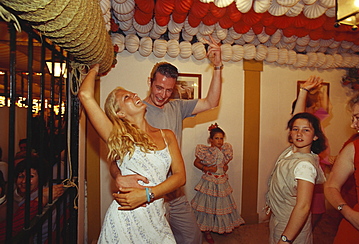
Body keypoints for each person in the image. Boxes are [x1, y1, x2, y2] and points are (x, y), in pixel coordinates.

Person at [111, 35, 223, 244]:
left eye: (169, 90)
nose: (163, 94)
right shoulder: (133, 112)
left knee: (192, 238)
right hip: (144, 197)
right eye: (159, 87)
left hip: (175, 193)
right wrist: (117, 177)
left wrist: (217, 67)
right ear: (150, 82)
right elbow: (115, 161)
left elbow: (211, 102)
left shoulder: (177, 107)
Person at [78, 64, 186, 243]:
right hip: (124, 220)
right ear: (120, 113)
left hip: (156, 219)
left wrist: (148, 194)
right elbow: (85, 95)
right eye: (126, 97)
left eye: (132, 93)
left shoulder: (167, 135)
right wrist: (96, 65)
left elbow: (180, 177)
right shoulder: (119, 136)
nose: (135, 95)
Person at [265, 112, 327, 244]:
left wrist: (285, 239)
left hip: (290, 224)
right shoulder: (291, 151)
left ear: (315, 136)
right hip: (278, 217)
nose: (299, 133)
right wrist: (303, 90)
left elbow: (303, 206)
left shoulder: (304, 166)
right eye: (295, 129)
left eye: (306, 130)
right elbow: (297, 117)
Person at [324, 90, 359, 243]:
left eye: (358, 118)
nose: (352, 125)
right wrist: (350, 214)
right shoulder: (354, 148)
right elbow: (331, 187)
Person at [190, 123, 244, 243]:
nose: (219, 141)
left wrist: (225, 167)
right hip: (210, 181)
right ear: (211, 140)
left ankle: (221, 227)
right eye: (216, 138)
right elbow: (196, 162)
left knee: (221, 205)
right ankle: (206, 230)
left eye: (221, 138)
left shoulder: (225, 150)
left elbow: (224, 164)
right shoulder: (207, 151)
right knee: (208, 205)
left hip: (222, 181)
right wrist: (207, 168)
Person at [292, 76, 332, 229]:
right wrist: (304, 91)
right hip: (311, 168)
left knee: (316, 209)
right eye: (313, 106)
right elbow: (298, 114)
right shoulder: (302, 125)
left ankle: (307, 230)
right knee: (306, 207)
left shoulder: (316, 121)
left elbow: (326, 107)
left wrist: (320, 92)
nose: (316, 108)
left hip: (318, 167)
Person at [0, 157, 64, 242]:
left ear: (41, 178)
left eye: (31, 176)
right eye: (21, 176)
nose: (24, 181)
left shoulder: (37, 198)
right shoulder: (37, 193)